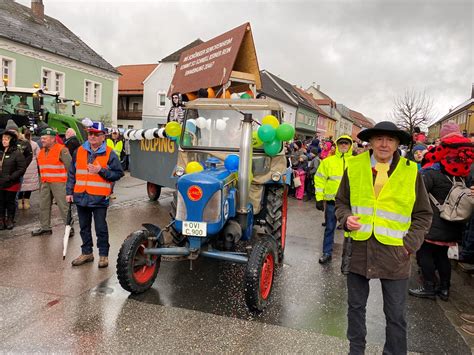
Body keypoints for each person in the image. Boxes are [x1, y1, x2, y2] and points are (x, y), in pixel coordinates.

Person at [335, 121, 433, 355]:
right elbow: (341, 202)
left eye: (390, 139)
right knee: (356, 307)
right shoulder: (355, 165)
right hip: (359, 246)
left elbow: (423, 214)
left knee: (396, 315)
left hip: (396, 253)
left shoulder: (411, 171)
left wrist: (409, 246)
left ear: (398, 143)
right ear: (371, 142)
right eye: (379, 138)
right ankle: (356, 351)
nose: (384, 144)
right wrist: (346, 217)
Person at [409, 123, 474, 301]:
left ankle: (429, 286)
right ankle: (444, 289)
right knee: (442, 257)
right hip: (454, 223)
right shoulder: (464, 174)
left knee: (424, 254)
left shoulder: (431, 172)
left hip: (432, 223)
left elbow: (417, 196)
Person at [66, 121, 124, 268]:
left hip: (99, 198)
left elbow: (118, 173)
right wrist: (69, 192)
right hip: (81, 196)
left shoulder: (110, 153)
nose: (92, 136)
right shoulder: (79, 151)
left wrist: (101, 171)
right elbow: (72, 173)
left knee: (100, 228)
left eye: (95, 134)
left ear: (103, 136)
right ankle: (87, 253)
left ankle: (103, 255)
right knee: (84, 228)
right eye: (90, 133)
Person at [314, 135, 353, 264]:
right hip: (332, 203)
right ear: (337, 145)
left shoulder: (355, 162)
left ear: (350, 146)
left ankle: (349, 257)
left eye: (346, 143)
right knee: (330, 228)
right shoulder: (328, 162)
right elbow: (319, 180)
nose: (343, 145)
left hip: (350, 204)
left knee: (351, 232)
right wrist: (319, 198)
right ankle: (327, 253)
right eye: (341, 143)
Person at [31, 128, 72, 236]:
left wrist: (71, 184)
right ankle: (45, 228)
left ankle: (69, 228)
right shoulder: (42, 152)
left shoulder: (62, 150)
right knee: (44, 205)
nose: (42, 140)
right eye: (41, 138)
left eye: (45, 138)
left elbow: (70, 168)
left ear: (53, 139)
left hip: (59, 183)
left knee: (63, 206)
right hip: (45, 182)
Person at [0, 129, 26, 229]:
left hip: (11, 183)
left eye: (7, 139)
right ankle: (1, 220)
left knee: (10, 202)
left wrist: (11, 177)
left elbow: (21, 168)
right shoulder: (1, 152)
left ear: (12, 140)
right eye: (3, 139)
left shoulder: (17, 153)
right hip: (1, 182)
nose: (4, 141)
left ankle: (10, 220)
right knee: (1, 202)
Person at [18, 130, 40, 210]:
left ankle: (20, 202)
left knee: (21, 184)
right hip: (32, 166)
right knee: (30, 185)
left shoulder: (21, 144)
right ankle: (27, 202)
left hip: (22, 166)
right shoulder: (34, 144)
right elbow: (39, 155)